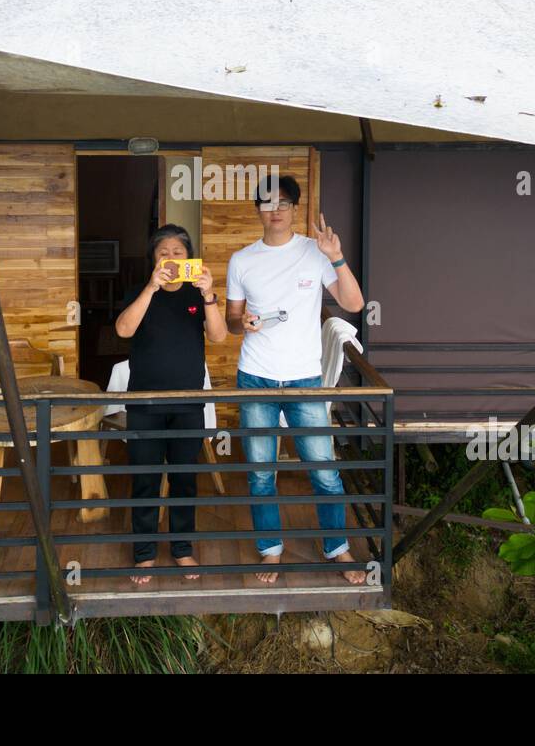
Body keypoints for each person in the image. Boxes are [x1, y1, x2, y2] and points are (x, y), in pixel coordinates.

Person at [225, 174, 367, 584]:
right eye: (268, 203)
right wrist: (243, 322)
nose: (275, 210)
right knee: (260, 471)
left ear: (294, 208)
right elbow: (233, 322)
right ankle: (271, 550)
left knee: (324, 469)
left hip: (304, 378)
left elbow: (354, 303)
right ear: (258, 209)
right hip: (255, 377)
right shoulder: (242, 260)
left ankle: (336, 548)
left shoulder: (314, 251)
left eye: (284, 203)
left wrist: (337, 257)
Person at [114, 224, 227, 584]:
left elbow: (220, 336)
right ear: (153, 259)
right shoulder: (140, 291)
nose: (171, 258)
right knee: (145, 479)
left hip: (187, 402)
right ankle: (144, 554)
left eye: (178, 252)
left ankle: (182, 549)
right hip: (144, 402)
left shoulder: (197, 293)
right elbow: (123, 330)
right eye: (163, 252)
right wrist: (150, 287)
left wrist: (209, 295)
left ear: (190, 258)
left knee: (184, 478)